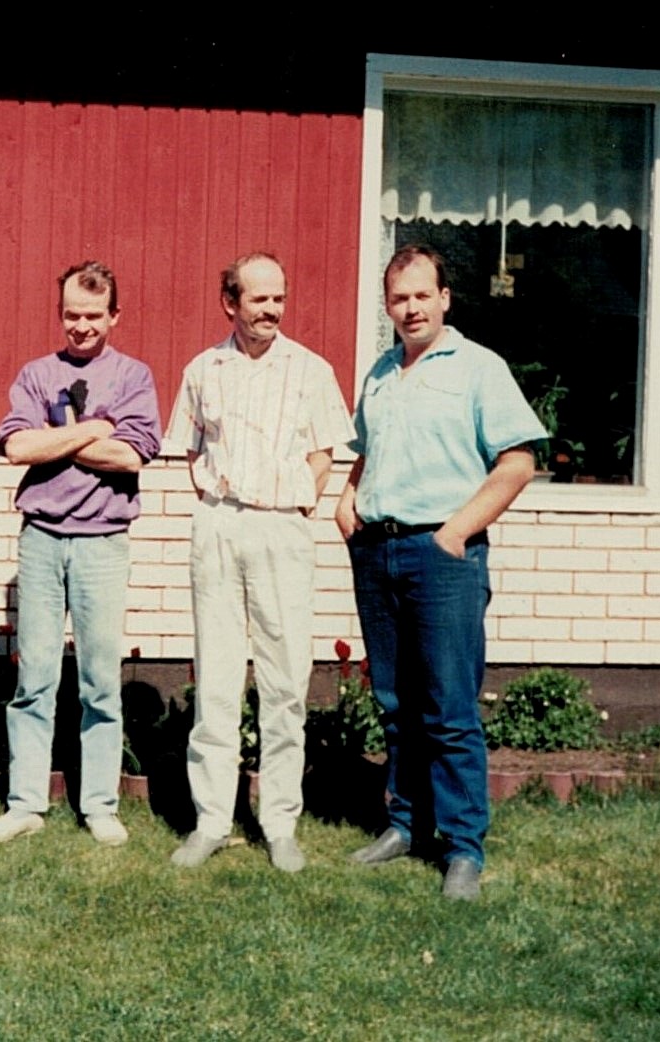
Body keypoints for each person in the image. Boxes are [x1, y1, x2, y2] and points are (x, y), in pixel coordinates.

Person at [336, 244, 544, 900]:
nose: (410, 308)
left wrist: (454, 532)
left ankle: (461, 848)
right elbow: (363, 454)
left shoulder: (478, 368)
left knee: (448, 708)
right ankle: (403, 824)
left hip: (441, 556)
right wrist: (347, 504)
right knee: (395, 704)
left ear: (444, 298)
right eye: (398, 299)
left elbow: (516, 463)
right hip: (378, 552)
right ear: (387, 306)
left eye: (421, 295)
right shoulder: (379, 372)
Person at [165, 251, 353, 872]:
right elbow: (188, 452)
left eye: (279, 297)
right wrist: (226, 506)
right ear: (231, 303)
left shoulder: (311, 370)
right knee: (217, 683)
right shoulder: (203, 370)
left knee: (283, 683)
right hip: (221, 524)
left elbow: (328, 452)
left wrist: (297, 505)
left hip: (283, 530)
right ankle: (212, 821)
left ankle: (279, 824)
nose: (271, 309)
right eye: (258, 299)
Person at [0, 262, 161, 848]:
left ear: (114, 316)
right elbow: (17, 446)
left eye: (92, 315)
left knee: (100, 678)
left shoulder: (134, 376)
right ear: (60, 315)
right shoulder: (36, 374)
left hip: (103, 540)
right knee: (34, 676)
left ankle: (99, 805)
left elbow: (132, 457)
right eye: (71, 315)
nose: (81, 326)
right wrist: (92, 429)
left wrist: (60, 442)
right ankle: (26, 803)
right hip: (42, 538)